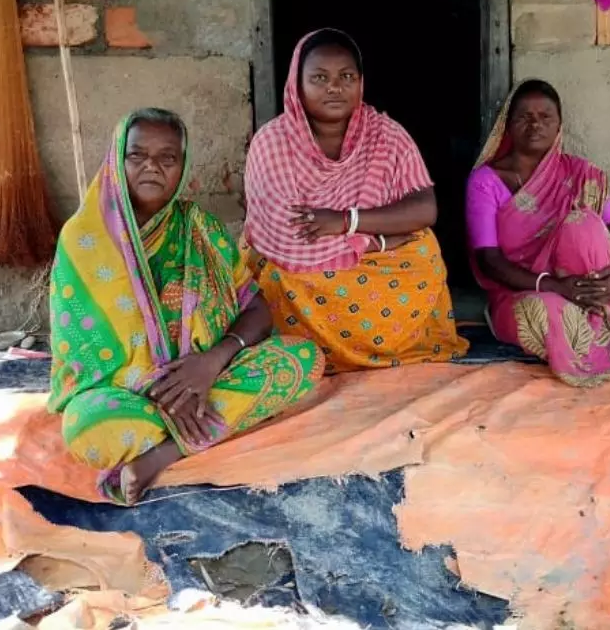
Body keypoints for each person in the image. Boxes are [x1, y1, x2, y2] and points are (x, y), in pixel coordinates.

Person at [48, 109, 324, 505]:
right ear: (116, 159)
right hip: (129, 391)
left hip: (209, 378)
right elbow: (81, 354)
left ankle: (164, 453)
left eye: (167, 158)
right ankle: (206, 429)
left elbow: (258, 310)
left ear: (184, 165)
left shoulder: (201, 229)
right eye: (137, 155)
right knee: (87, 427)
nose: (151, 167)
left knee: (303, 357)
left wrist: (210, 362)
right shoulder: (83, 239)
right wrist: (168, 389)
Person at [242, 28, 469, 371]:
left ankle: (387, 344)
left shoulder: (386, 134)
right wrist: (378, 241)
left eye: (346, 76)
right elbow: (288, 242)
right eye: (319, 77)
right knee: (277, 276)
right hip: (300, 268)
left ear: (361, 83)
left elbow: (425, 209)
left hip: (357, 252)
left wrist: (347, 222)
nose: (334, 87)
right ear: (296, 84)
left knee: (424, 251)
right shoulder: (271, 143)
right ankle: (314, 350)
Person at [466, 80, 610, 385]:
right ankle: (585, 333)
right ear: (507, 126)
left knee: (583, 223)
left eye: (546, 117)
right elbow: (488, 259)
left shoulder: (580, 174)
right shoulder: (486, 181)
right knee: (549, 314)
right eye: (524, 117)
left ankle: (595, 309)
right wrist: (556, 286)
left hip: (583, 289)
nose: (535, 124)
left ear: (560, 125)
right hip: (526, 292)